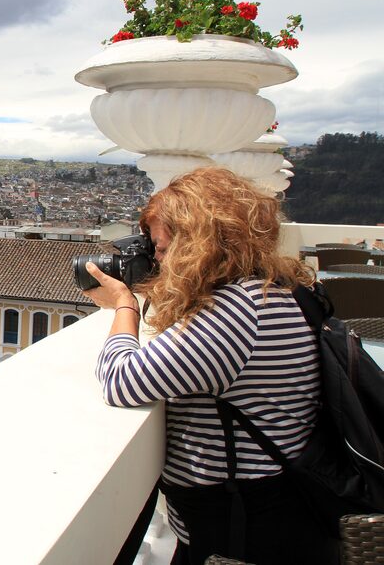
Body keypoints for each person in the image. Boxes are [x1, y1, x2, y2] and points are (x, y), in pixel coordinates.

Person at [82, 167, 334, 565]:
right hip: (283, 504)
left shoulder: (236, 312)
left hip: (241, 527)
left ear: (198, 244)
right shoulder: (280, 288)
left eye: (163, 248)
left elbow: (121, 380)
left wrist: (124, 304)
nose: (158, 260)